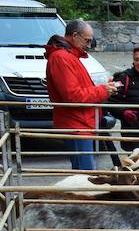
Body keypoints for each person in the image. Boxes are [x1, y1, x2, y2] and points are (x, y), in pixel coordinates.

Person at [44, 19, 120, 170]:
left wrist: (102, 88)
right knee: (85, 174)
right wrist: (103, 90)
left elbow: (76, 90)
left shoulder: (68, 56)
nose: (89, 45)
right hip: (77, 123)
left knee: (84, 172)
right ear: (74, 36)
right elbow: (72, 95)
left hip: (80, 122)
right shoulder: (62, 57)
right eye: (87, 40)